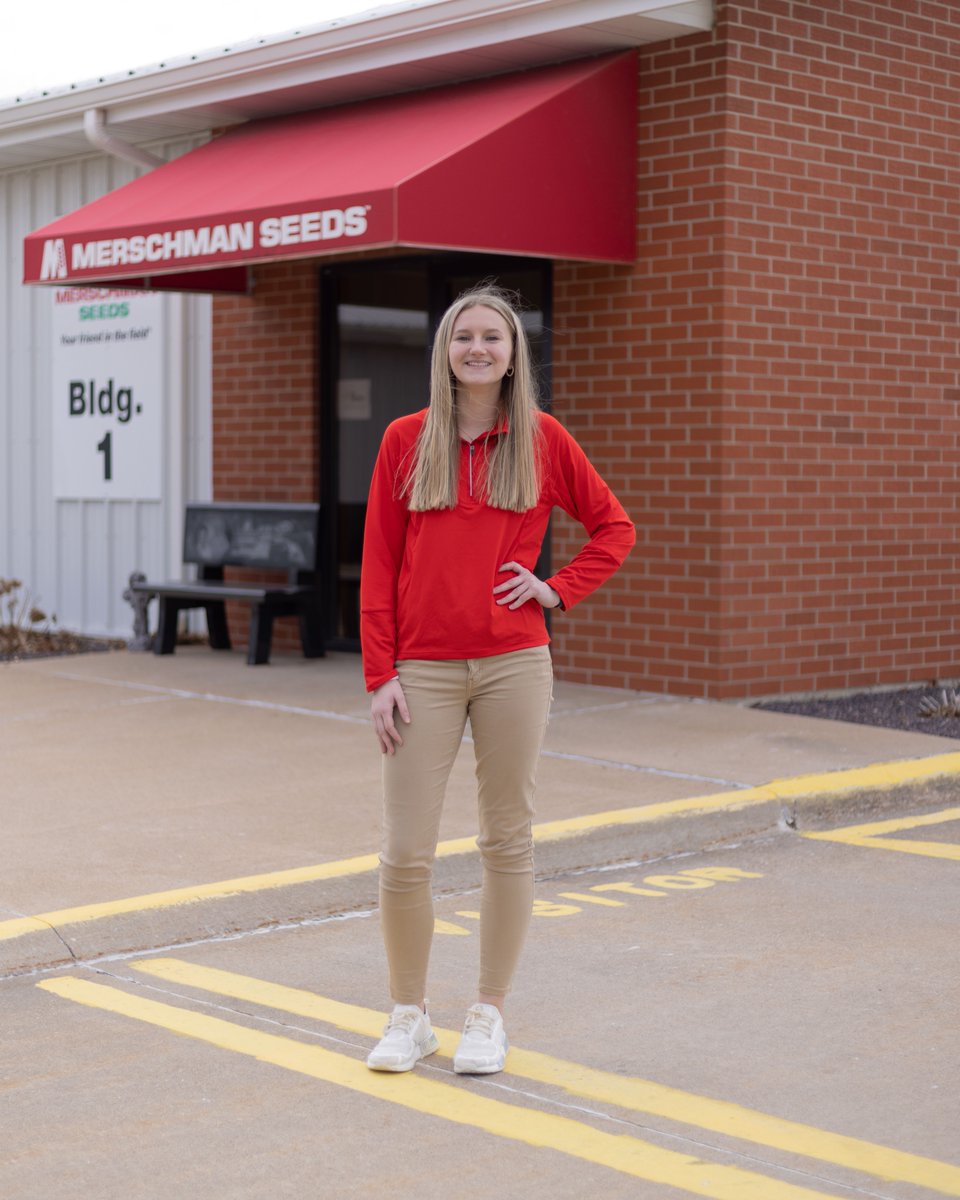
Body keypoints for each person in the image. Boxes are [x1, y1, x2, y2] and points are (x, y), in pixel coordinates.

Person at [360, 284, 635, 1075]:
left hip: (516, 663)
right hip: (423, 670)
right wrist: (382, 673)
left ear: (513, 353)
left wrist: (557, 589)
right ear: (445, 351)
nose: (477, 348)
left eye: (493, 337)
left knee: (505, 839)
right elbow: (380, 564)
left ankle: (488, 1013)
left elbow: (615, 527)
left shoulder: (542, 439)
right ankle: (408, 1016)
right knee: (405, 850)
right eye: (463, 337)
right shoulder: (405, 441)